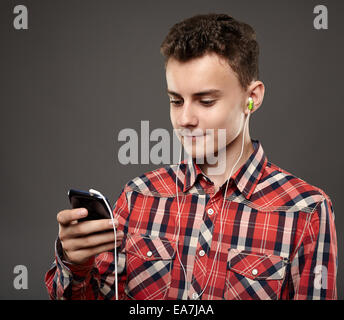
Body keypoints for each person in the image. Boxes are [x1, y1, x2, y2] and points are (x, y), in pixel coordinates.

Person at [45, 13, 337, 300]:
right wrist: (75, 264)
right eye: (176, 100)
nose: (184, 119)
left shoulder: (306, 211)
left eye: (206, 101)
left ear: (253, 98)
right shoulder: (138, 197)